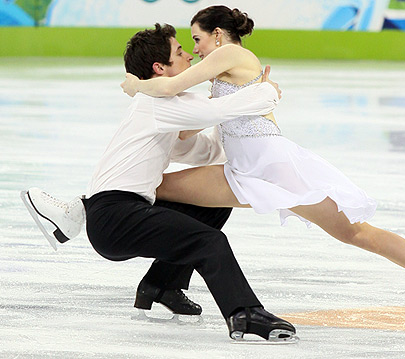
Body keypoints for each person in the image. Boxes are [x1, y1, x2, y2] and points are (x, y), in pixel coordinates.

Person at [120, 5, 405, 324]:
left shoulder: (227, 54)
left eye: (197, 40)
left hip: (272, 165)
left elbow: (169, 88)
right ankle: (123, 243)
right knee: (156, 186)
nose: (196, 50)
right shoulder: (223, 72)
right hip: (241, 171)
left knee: (355, 233)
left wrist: (136, 85)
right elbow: (189, 130)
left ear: (217, 34)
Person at [23, 23, 297, 342]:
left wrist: (233, 131)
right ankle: (244, 314)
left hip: (120, 213)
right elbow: (224, 109)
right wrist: (264, 91)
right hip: (117, 217)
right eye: (179, 53)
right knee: (210, 243)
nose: (189, 58)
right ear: (160, 68)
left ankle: (163, 285)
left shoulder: (158, 109)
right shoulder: (159, 102)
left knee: (212, 205)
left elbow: (201, 150)